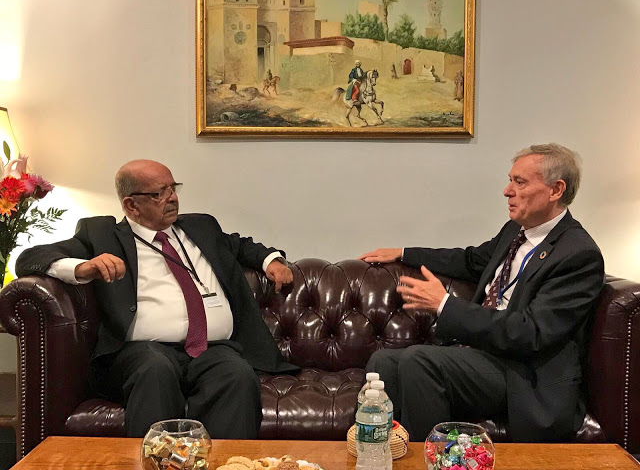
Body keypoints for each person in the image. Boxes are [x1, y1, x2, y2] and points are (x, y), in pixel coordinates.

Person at [16, 159, 298, 439]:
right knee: (155, 370)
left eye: (173, 188)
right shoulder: (102, 235)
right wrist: (82, 267)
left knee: (237, 374)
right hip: (143, 350)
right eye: (159, 193)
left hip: (214, 349)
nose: (172, 198)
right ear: (131, 205)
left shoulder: (202, 227)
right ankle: (156, 460)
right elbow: (30, 258)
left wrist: (271, 261)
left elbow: (242, 245)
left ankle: (224, 461)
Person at [357, 144, 604, 443]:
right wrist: (404, 252)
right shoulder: (515, 231)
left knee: (419, 361)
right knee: (383, 362)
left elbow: (532, 333)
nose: (507, 191)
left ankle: (435, 459)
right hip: (482, 355)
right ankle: (384, 454)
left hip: (523, 373)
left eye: (520, 182)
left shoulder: (577, 254)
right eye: (510, 180)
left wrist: (445, 305)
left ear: (556, 190)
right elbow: (470, 260)